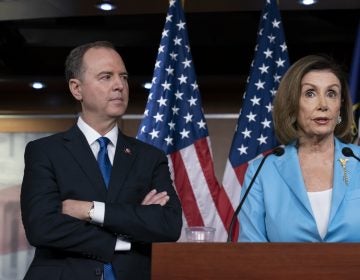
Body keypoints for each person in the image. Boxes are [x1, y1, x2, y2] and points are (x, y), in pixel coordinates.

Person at [20, 41, 182, 280]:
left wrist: (90, 210)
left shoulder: (150, 157)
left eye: (123, 77)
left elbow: (168, 224)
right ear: (77, 89)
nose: (119, 85)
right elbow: (42, 227)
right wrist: (126, 234)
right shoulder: (44, 151)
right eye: (106, 77)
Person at [238, 55, 360, 242]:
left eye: (331, 93)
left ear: (340, 107)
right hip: (282, 272)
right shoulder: (262, 171)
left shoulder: (357, 161)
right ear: (293, 104)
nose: (323, 105)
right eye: (310, 93)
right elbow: (252, 252)